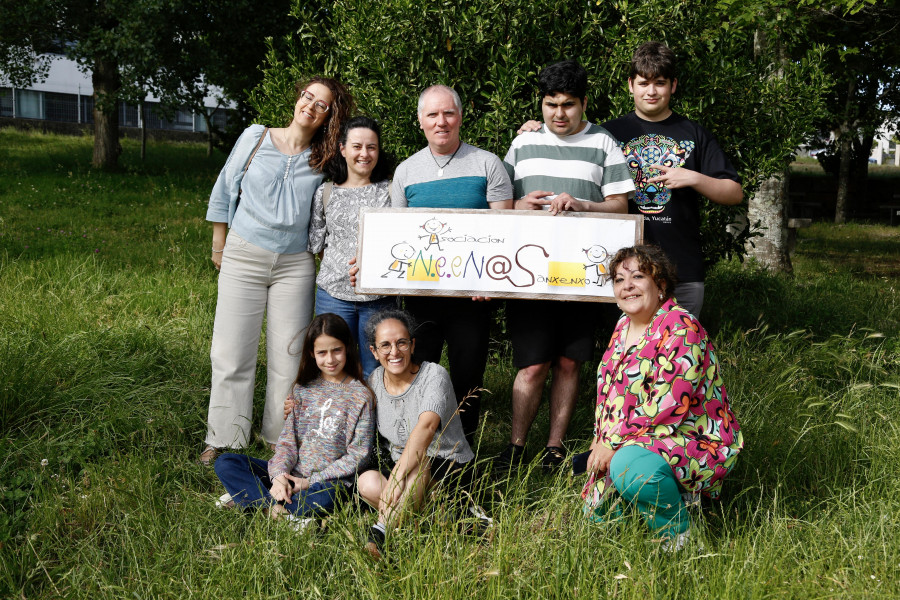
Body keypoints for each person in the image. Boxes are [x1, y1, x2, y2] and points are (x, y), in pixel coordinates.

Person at [201, 77, 354, 465]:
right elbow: (224, 188)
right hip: (243, 254)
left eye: (322, 104)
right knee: (232, 351)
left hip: (295, 265)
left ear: (329, 117)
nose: (311, 106)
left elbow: (360, 178)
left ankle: (277, 439)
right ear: (298, 98)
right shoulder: (256, 137)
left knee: (289, 357)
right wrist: (219, 246)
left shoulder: (325, 159)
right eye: (308, 96)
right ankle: (225, 438)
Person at [498, 60, 635, 473]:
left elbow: (621, 206)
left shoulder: (605, 143)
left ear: (584, 104)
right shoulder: (521, 145)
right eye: (550, 104)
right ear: (541, 103)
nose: (559, 113)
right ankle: (516, 444)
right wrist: (521, 205)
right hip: (530, 274)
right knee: (533, 364)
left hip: (583, 278)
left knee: (569, 362)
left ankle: (554, 447)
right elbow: (500, 204)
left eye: (568, 105)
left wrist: (584, 204)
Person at [582, 245, 743, 550]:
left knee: (630, 468)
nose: (626, 285)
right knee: (597, 524)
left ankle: (680, 536)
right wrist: (598, 438)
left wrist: (612, 443)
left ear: (661, 285)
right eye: (619, 279)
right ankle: (661, 502)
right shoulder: (622, 327)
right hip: (637, 438)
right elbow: (609, 394)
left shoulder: (682, 326)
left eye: (638, 276)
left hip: (691, 438)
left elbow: (667, 404)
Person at [388, 85, 513, 445]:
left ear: (460, 117)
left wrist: (491, 283)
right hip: (422, 296)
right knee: (417, 372)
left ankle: (462, 451)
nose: (441, 122)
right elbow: (399, 237)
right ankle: (414, 449)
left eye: (448, 113)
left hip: (472, 298)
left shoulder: (488, 163)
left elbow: (503, 231)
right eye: (432, 115)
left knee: (467, 377)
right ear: (420, 122)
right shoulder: (406, 171)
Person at [601, 41, 743, 316]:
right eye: (643, 83)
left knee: (680, 354)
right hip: (625, 273)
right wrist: (536, 130)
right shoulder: (608, 134)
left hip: (682, 269)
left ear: (673, 85)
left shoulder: (694, 133)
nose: (651, 91)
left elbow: (734, 192)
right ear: (631, 85)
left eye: (660, 83)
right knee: (632, 354)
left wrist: (693, 177)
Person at [214, 313, 374, 525]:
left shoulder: (360, 396)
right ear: (312, 353)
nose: (330, 359)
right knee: (226, 462)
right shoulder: (303, 389)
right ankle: (278, 512)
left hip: (327, 482)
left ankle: (251, 498)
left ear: (347, 348)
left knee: (328, 497)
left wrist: (309, 482)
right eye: (322, 352)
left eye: (337, 350)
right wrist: (280, 476)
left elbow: (358, 456)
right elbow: (287, 442)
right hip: (291, 473)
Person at [357, 309, 485, 559]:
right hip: (403, 470)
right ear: (374, 351)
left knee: (418, 464)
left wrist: (395, 480)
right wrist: (299, 400)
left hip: (446, 467)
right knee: (367, 482)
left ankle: (380, 532)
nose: (394, 352)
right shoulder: (374, 381)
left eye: (401, 343)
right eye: (385, 345)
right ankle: (445, 517)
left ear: (412, 345)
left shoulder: (433, 375)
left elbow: (426, 429)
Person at [309, 116, 397, 379]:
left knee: (378, 369)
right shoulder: (325, 192)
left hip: (380, 299)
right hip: (333, 296)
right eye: (357, 146)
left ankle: (377, 421)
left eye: (372, 147)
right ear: (343, 149)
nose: (364, 153)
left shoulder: (392, 191)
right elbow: (318, 244)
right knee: (335, 366)